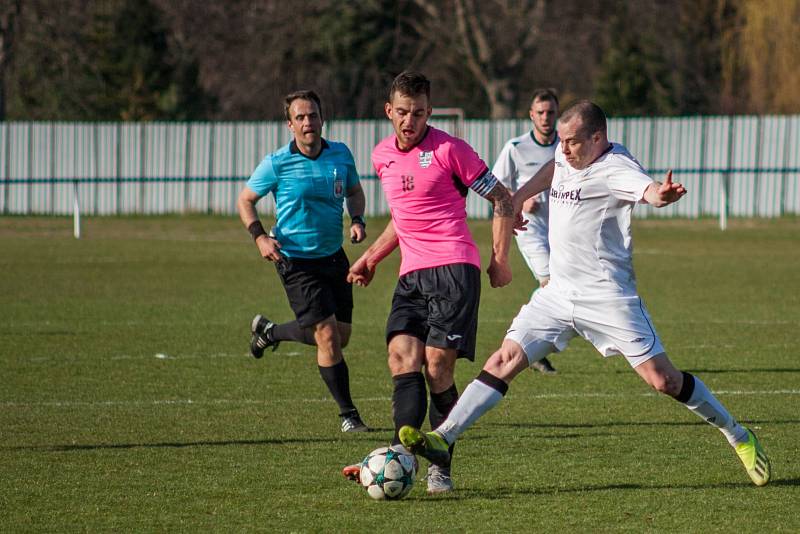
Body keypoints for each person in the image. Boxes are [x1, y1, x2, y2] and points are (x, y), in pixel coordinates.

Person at [399, 100, 771, 489]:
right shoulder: (565, 154)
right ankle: (444, 437)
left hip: (608, 297)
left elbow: (647, 191)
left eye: (573, 142)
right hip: (557, 293)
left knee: (664, 381)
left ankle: (738, 435)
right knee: (505, 358)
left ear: (597, 138)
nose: (564, 149)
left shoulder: (615, 168)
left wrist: (662, 194)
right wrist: (521, 195)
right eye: (560, 141)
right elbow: (553, 167)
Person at [341, 71, 518, 494]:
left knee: (437, 368)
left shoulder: (450, 150)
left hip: (455, 269)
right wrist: (370, 257)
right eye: (402, 112)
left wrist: (499, 259)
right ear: (389, 112)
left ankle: (441, 464)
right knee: (401, 358)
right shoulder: (381, 155)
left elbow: (502, 197)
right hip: (411, 275)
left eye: (418, 113)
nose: (410, 121)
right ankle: (399, 459)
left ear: (429, 112)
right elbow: (403, 220)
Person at [237, 90, 370, 434]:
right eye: (300, 117)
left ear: (322, 119)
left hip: (334, 257)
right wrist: (260, 237)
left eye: (312, 115)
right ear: (290, 124)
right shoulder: (277, 162)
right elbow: (246, 200)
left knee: (342, 337)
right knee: (326, 336)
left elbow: (355, 192)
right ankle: (349, 416)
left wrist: (357, 220)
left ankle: (271, 331)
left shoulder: (340, 154)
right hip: (295, 260)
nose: (308, 122)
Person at [492, 88, 560, 375]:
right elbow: (495, 185)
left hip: (564, 233)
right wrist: (520, 196)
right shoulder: (516, 147)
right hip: (530, 230)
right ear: (531, 115)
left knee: (562, 287)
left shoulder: (568, 146)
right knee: (551, 284)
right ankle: (526, 341)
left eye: (551, 112)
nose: (546, 118)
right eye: (540, 112)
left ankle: (530, 343)